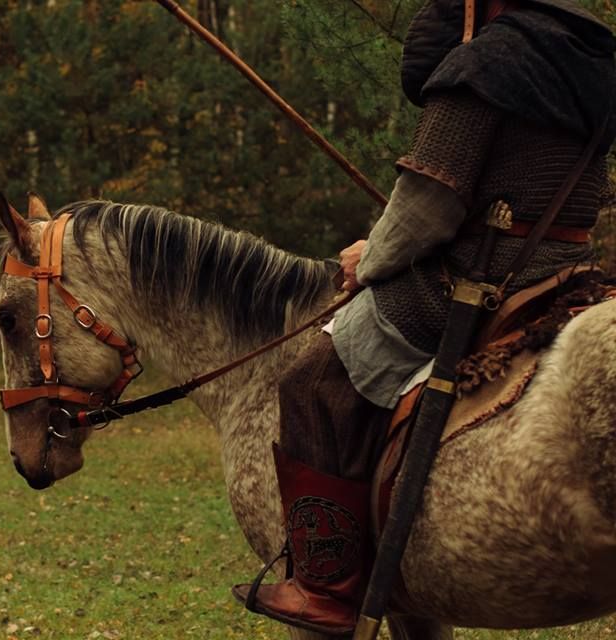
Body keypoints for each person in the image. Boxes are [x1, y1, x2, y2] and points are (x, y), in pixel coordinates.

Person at [233, 0, 616, 634]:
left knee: (312, 381)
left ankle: (324, 588)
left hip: (477, 281)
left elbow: (427, 210)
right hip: (563, 275)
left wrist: (370, 258)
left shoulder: (486, 63)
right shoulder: (588, 61)